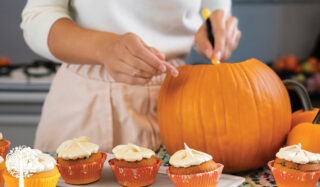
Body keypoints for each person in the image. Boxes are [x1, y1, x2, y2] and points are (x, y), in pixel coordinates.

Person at [21, 0, 241, 153]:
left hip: (179, 106)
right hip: (86, 108)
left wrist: (218, 28)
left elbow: (212, 13)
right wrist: (103, 47)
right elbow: (38, 16)